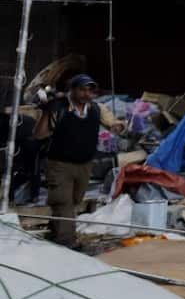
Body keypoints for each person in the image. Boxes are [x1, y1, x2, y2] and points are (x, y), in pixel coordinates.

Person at [33, 73, 124, 248]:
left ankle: (55, 231)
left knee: (73, 201)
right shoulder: (59, 107)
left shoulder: (96, 109)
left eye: (90, 91)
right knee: (62, 200)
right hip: (59, 164)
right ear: (72, 90)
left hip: (84, 164)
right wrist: (46, 112)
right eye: (82, 90)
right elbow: (39, 134)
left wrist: (117, 126)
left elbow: (113, 123)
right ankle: (67, 241)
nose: (86, 94)